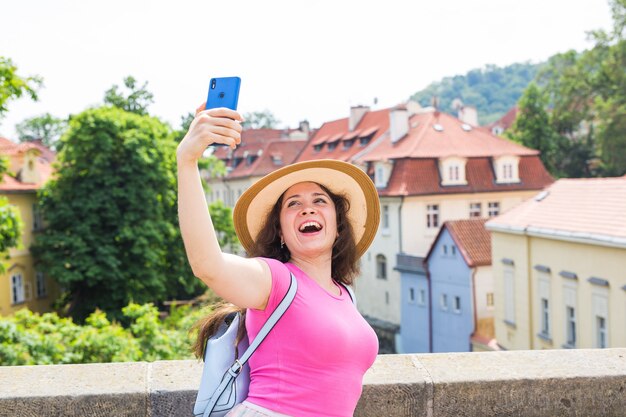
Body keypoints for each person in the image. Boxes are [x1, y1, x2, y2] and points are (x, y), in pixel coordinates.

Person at [177, 104, 381, 417]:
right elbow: (207, 264)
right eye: (293, 204)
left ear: (339, 227)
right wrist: (187, 161)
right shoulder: (275, 279)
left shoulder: (345, 294)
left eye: (319, 201)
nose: (307, 209)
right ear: (282, 232)